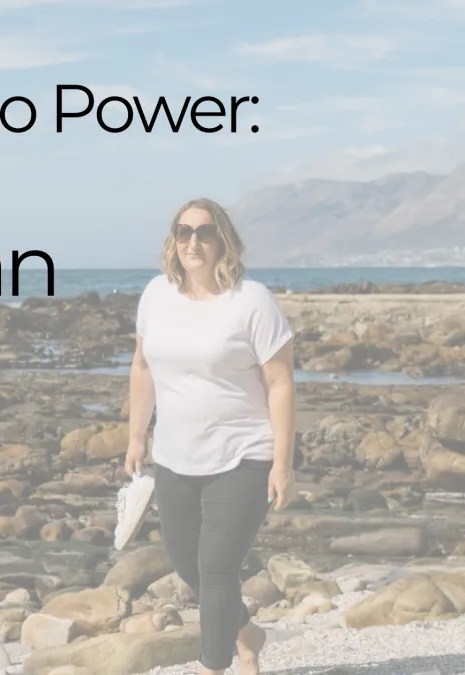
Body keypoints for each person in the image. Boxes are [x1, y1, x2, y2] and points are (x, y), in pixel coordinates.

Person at [120, 197, 297, 675]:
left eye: (204, 232)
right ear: (173, 240)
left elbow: (280, 383)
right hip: (174, 456)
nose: (193, 241)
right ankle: (246, 633)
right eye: (184, 231)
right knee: (189, 567)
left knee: (217, 569)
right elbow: (142, 367)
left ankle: (213, 667)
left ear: (223, 240)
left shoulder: (251, 300)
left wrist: (282, 463)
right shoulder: (156, 295)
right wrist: (136, 437)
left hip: (243, 454)